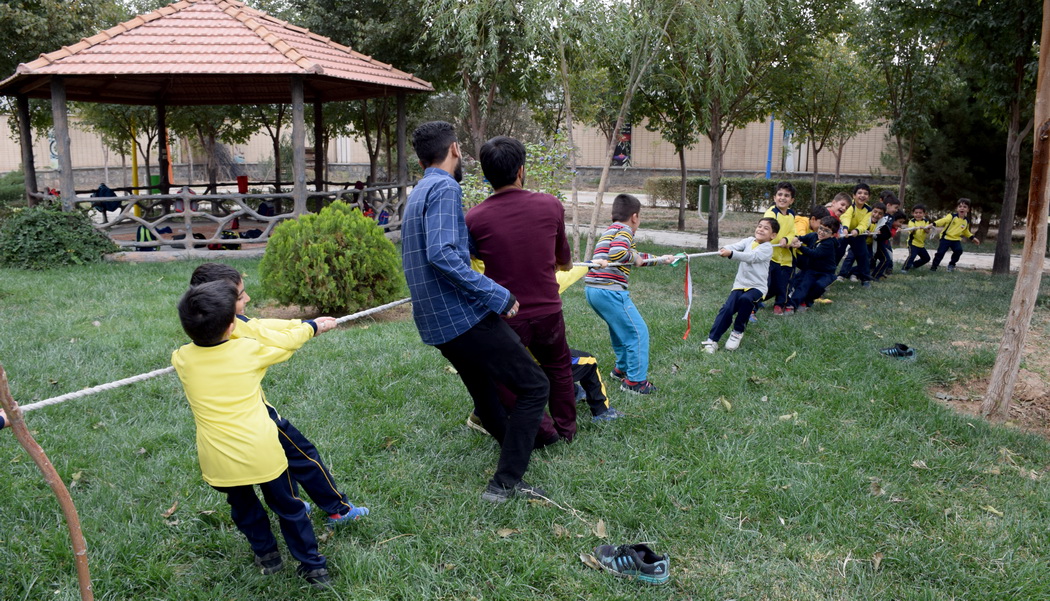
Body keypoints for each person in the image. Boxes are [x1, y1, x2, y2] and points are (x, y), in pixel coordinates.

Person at [401, 121, 550, 504]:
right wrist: (497, 295)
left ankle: (512, 454)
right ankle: (505, 483)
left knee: (484, 390)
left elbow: (446, 248)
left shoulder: (418, 192)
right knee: (535, 386)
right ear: (453, 149)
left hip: (435, 323)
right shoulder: (446, 187)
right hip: (461, 318)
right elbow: (442, 254)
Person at [172, 281, 331, 588]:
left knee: (243, 507)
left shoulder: (181, 358)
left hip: (219, 460)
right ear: (232, 326)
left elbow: (192, 350)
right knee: (290, 507)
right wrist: (311, 328)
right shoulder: (248, 351)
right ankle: (313, 568)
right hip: (264, 453)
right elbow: (284, 346)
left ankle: (268, 556)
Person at [189, 263, 368, 526]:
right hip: (258, 418)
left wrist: (302, 322)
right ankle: (337, 509)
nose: (247, 298)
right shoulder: (235, 330)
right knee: (302, 456)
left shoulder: (213, 322)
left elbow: (259, 324)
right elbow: (275, 342)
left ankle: (293, 505)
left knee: (280, 463)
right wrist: (309, 329)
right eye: (240, 297)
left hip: (229, 426)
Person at [466, 136, 577, 442]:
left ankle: (544, 431)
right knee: (558, 366)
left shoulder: (474, 218)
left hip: (506, 315)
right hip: (548, 312)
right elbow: (563, 261)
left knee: (504, 378)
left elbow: (474, 264)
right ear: (521, 170)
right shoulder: (550, 205)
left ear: (486, 176)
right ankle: (567, 430)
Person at [584, 194, 674, 394]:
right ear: (635, 217)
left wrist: (660, 259)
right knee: (637, 332)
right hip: (610, 290)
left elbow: (630, 256)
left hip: (594, 289)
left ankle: (621, 369)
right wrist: (633, 256)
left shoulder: (611, 230)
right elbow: (619, 254)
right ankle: (635, 382)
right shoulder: (625, 230)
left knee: (619, 329)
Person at [700, 217, 777, 353]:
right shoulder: (748, 241)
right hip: (740, 285)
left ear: (773, 235)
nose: (761, 229)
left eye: (766, 228)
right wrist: (725, 249)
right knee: (727, 309)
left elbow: (751, 257)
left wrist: (731, 254)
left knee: (746, 299)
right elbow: (733, 246)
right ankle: (712, 340)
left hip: (757, 287)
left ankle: (737, 331)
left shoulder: (767, 248)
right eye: (759, 226)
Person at [787, 215, 840, 311]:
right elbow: (801, 238)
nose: (822, 232)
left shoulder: (829, 244)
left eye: (826, 231)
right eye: (821, 228)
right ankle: (791, 306)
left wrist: (800, 247)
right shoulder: (813, 236)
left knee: (819, 286)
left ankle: (807, 301)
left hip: (826, 273)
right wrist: (795, 239)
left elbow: (815, 254)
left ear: (832, 235)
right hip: (812, 269)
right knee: (803, 286)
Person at [762, 182, 797, 315]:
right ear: (774, 197)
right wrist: (779, 239)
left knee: (784, 283)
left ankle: (779, 304)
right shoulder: (771, 213)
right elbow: (767, 232)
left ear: (792, 200)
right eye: (780, 194)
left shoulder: (792, 214)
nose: (783, 198)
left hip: (786, 257)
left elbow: (792, 231)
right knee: (768, 282)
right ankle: (754, 304)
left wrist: (787, 240)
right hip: (771, 255)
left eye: (787, 196)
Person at [836, 183, 874, 286]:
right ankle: (828, 275)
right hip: (844, 232)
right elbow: (846, 217)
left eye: (865, 193)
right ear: (854, 195)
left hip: (858, 234)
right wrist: (845, 228)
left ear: (868, 197)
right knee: (837, 253)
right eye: (859, 193)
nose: (862, 195)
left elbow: (865, 223)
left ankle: (865, 279)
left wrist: (857, 231)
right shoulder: (850, 205)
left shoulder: (869, 210)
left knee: (863, 255)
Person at [930, 198, 981, 272]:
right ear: (957, 209)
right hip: (946, 238)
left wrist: (973, 238)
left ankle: (951, 265)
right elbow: (943, 221)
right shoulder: (952, 216)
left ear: (968, 210)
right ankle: (933, 267)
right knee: (940, 253)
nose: (962, 208)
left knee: (958, 251)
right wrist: (933, 224)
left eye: (964, 207)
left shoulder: (966, 221)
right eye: (960, 206)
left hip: (956, 240)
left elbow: (965, 231)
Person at [872, 211, 907, 280]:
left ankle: (881, 272)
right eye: (900, 222)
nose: (901, 224)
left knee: (887, 258)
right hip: (879, 244)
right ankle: (875, 274)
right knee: (884, 259)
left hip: (885, 244)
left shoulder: (893, 228)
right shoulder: (885, 226)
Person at [901, 203, 934, 273]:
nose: (918, 214)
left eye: (920, 213)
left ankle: (913, 265)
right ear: (913, 213)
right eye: (916, 213)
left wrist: (925, 228)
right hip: (912, 243)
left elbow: (927, 231)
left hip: (921, 244)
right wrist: (915, 228)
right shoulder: (912, 221)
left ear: (924, 214)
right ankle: (904, 268)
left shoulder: (926, 221)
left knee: (926, 258)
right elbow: (911, 230)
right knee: (912, 256)